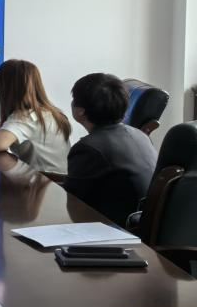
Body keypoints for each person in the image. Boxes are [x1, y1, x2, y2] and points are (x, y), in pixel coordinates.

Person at [63, 73, 157, 226]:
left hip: (113, 229)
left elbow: (73, 204)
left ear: (80, 111)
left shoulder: (88, 148)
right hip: (141, 224)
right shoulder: (140, 135)